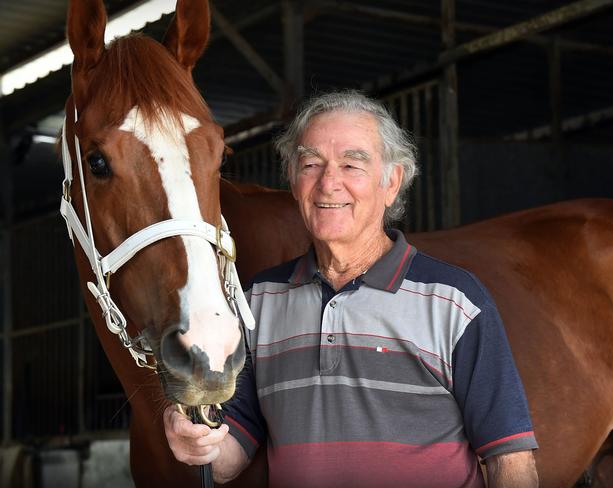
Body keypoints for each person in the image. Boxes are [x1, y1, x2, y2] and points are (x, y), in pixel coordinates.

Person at [163, 91, 539, 487]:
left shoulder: (456, 301)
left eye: (351, 165)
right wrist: (195, 438)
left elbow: (510, 459)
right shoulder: (257, 300)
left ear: (391, 182)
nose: (328, 183)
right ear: (292, 181)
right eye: (311, 164)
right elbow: (229, 455)